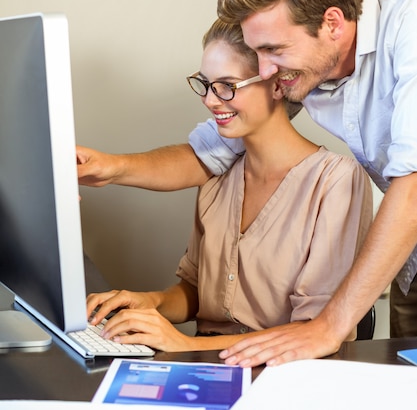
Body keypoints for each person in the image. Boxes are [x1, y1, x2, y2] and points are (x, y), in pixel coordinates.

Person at [77, 0, 417, 366]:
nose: (267, 70)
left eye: (273, 51)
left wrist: (328, 326)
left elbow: (413, 185)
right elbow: (205, 153)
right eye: (258, 54)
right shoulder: (303, 65)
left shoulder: (409, 20)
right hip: (410, 259)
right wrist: (109, 168)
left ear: (333, 23)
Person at [83, 19, 372, 354]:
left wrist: (186, 344)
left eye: (227, 85)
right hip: (205, 360)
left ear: (278, 85)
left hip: (283, 371)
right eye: (205, 84)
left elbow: (314, 330)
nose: (210, 100)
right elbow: (195, 289)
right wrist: (151, 302)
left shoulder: (336, 180)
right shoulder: (216, 171)